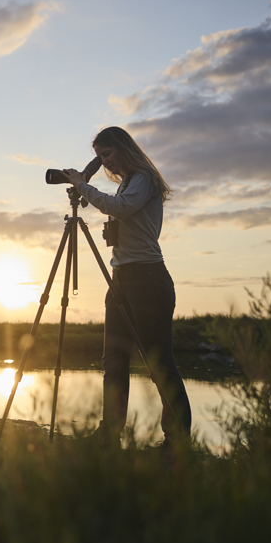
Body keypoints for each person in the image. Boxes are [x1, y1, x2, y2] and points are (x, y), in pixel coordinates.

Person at [63, 126, 192, 452]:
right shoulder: (126, 186)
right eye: (100, 157)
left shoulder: (144, 179)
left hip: (147, 279)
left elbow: (119, 209)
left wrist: (83, 185)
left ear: (123, 148)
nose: (105, 162)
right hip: (121, 279)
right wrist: (86, 191)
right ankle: (111, 434)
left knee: (159, 364)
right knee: (114, 361)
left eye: (107, 154)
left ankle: (177, 443)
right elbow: (116, 209)